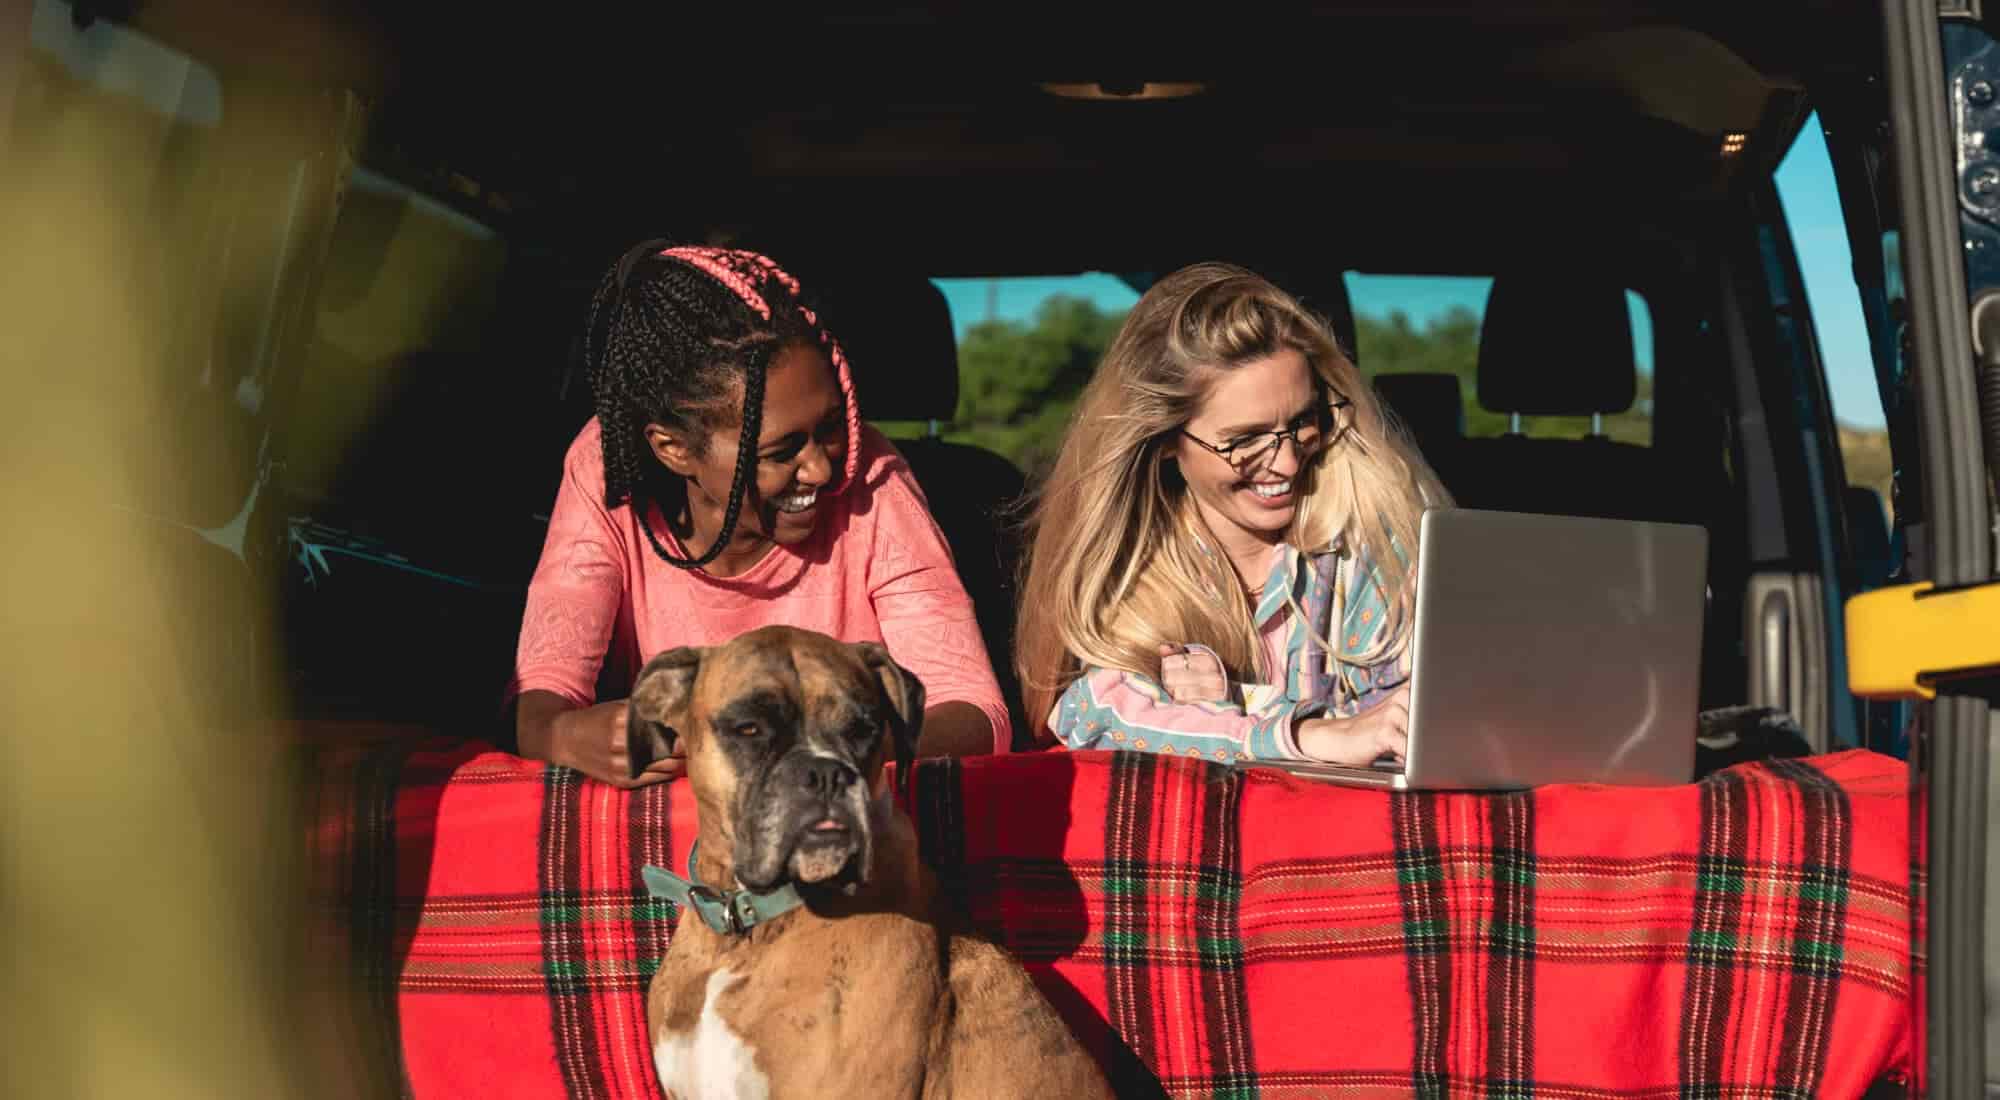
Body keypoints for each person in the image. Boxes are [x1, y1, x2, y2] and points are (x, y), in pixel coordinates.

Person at [505, 243, 1010, 786]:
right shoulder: (606, 469)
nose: (820, 468)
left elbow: (977, 715)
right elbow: (539, 700)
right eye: (781, 451)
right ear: (673, 449)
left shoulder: (874, 477)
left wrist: (824, 745)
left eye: (832, 426)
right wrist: (569, 736)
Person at [1015, 262, 1449, 765]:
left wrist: (1236, 707)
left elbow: (1421, 724)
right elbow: (1093, 715)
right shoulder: (1127, 567)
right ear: (1163, 443)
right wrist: (1310, 736)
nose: (1287, 462)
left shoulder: (1372, 535)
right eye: (1243, 440)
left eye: (1303, 422)